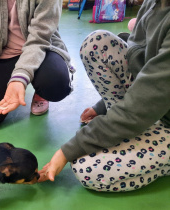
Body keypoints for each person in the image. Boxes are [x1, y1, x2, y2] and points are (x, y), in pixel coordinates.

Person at [39, 0, 170, 192]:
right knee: (96, 43)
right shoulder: (154, 3)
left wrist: (69, 149)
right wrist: (102, 107)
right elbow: (146, 74)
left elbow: (147, 100)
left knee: (86, 168)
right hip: (154, 100)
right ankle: (122, 127)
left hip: (162, 115)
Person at [0, 0, 75, 127]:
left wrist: (20, 77)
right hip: (8, 52)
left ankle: (40, 91)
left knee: (55, 84)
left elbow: (40, 38)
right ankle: (19, 87)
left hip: (43, 48)